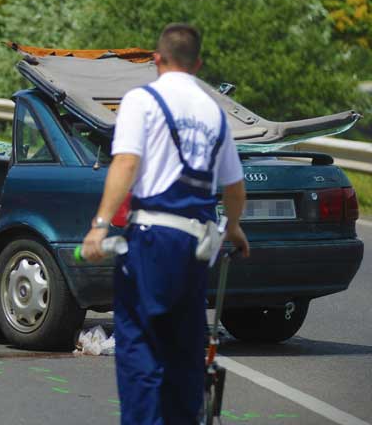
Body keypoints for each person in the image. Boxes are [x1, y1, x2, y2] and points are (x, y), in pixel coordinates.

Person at [81, 23, 251, 424]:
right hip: (196, 247)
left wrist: (100, 224)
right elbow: (234, 186)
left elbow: (126, 163)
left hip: (152, 239)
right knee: (184, 351)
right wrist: (234, 227)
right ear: (198, 64)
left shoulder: (142, 100)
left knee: (140, 345)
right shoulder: (215, 113)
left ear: (156, 59)